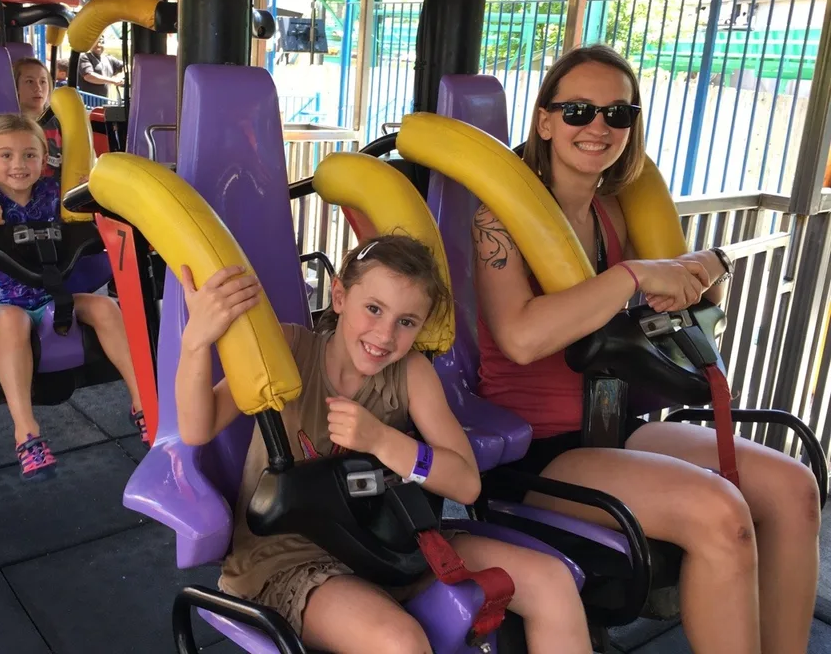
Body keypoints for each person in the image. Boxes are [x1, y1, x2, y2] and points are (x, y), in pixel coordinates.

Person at [472, 43, 820, 654]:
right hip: (534, 452)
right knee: (720, 516)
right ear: (545, 121)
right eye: (577, 110)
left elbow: (694, 299)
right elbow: (522, 338)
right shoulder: (498, 220)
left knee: (793, 487)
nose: (598, 126)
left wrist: (707, 266)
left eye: (618, 114)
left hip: (614, 424)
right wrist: (632, 276)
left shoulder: (613, 210)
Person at [175, 235, 593, 654]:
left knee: (550, 582)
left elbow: (466, 484)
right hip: (287, 558)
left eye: (406, 322)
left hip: (387, 541)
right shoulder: (289, 349)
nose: (385, 334)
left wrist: (382, 439)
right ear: (339, 295)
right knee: (399, 643)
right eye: (373, 309)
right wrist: (196, 341)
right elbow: (198, 427)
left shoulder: (410, 375)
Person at [0, 113, 149, 480]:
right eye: (6, 155)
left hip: (53, 298)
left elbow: (103, 222)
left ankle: (143, 404)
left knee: (106, 306)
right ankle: (26, 432)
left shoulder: (56, 196)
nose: (18, 165)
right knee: (12, 321)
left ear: (45, 159)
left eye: (30, 155)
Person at [13, 57, 62, 182]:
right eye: (30, 81)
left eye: (43, 82)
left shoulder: (61, 122)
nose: (38, 88)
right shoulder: (9, 125)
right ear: (16, 86)